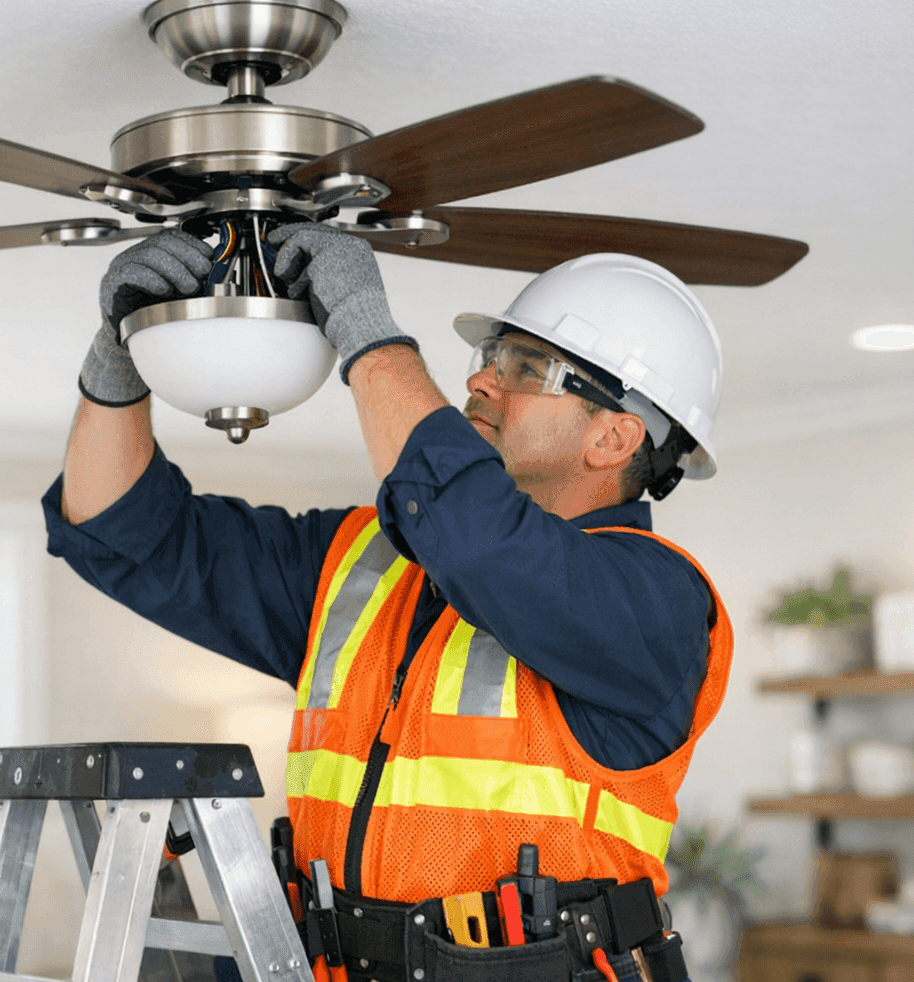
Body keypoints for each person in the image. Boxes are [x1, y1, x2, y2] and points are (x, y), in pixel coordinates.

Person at [43, 223, 734, 982]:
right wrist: (118, 358)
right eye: (491, 358)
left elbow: (478, 540)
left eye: (526, 366)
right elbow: (118, 529)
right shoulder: (358, 562)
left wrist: (365, 329)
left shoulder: (657, 603)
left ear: (613, 438)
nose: (480, 381)